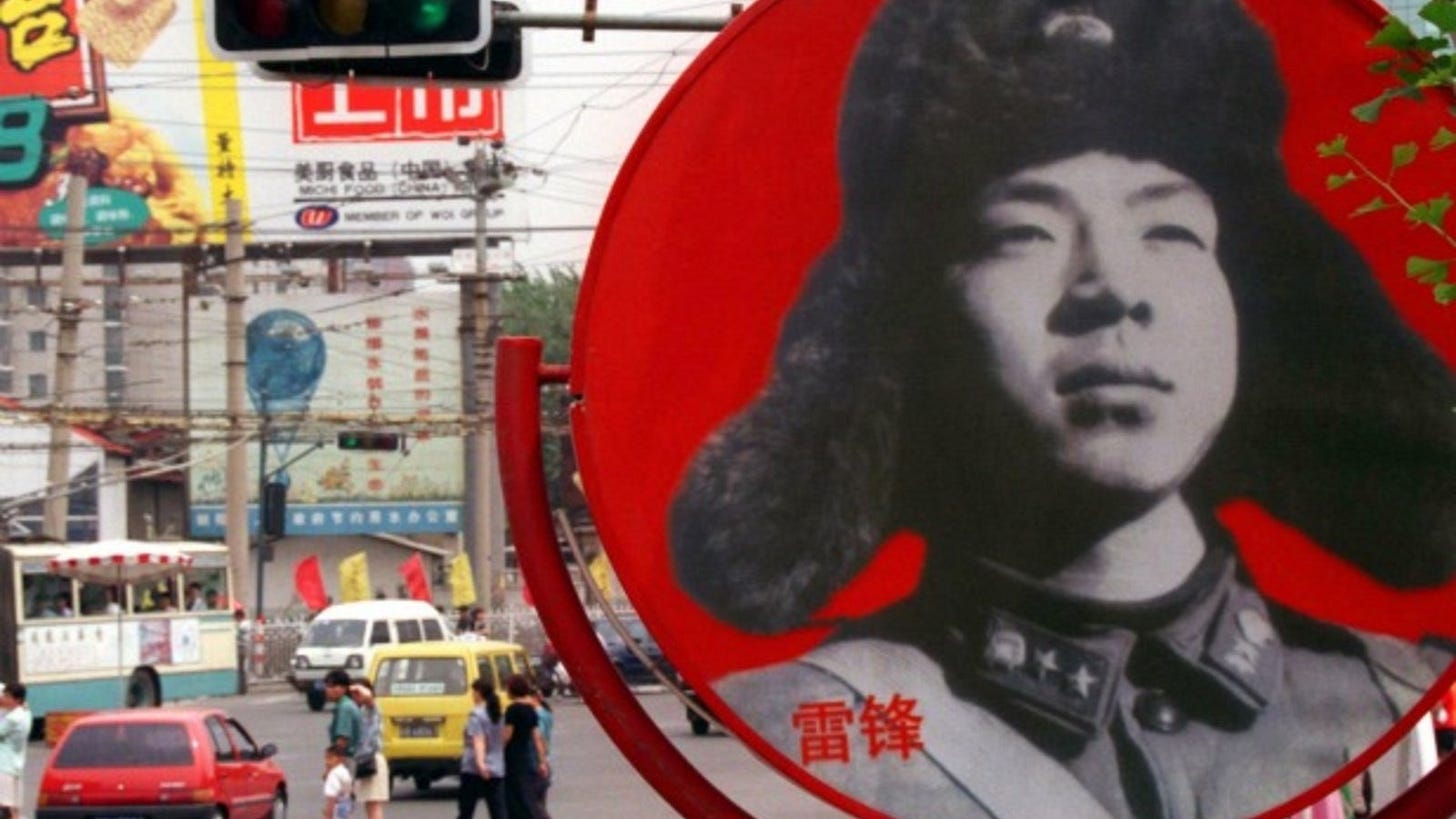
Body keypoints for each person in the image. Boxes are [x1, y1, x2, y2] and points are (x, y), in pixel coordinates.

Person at [667, 1, 1456, 817]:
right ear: (906, 322)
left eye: (1171, 231)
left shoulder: (1389, 699)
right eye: (1026, 234)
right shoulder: (809, 720)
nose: (1111, 289)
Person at [500, 674, 550, 819]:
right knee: (526, 793)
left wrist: (496, 751)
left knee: (513, 796)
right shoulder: (530, 710)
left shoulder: (512, 710)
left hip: (512, 757)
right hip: (526, 757)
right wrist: (542, 761)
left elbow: (507, 735)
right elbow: (536, 737)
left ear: (512, 690)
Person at [457, 678, 505, 819]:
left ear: (479, 693)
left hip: (474, 767)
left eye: (473, 691)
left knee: (466, 810)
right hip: (496, 766)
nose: (472, 695)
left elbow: (478, 740)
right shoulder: (498, 714)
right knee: (497, 810)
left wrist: (480, 763)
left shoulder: (476, 715)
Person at [349, 680, 389, 819]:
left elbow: (371, 703)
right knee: (369, 804)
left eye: (357, 693)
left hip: (372, 759)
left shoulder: (371, 709)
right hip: (363, 759)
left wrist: (364, 693)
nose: (355, 696)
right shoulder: (358, 711)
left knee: (373, 805)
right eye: (352, 694)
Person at [0, 683, 32, 819]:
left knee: (6, 806)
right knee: (13, 806)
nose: (3, 699)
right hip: (15, 764)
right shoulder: (25, 713)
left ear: (17, 700)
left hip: (4, 765)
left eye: (7, 697)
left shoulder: (13, 718)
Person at [323, 670, 362, 759]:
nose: (328, 690)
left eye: (332, 686)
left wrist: (332, 761)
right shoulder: (347, 704)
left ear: (344, 689)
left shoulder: (345, 708)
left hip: (348, 759)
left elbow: (342, 741)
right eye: (327, 686)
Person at [321, 745, 354, 819]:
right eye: (326, 758)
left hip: (336, 810)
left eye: (330, 758)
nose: (327, 761)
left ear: (340, 759)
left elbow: (331, 798)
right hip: (346, 809)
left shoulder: (333, 775)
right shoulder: (345, 772)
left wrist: (328, 816)